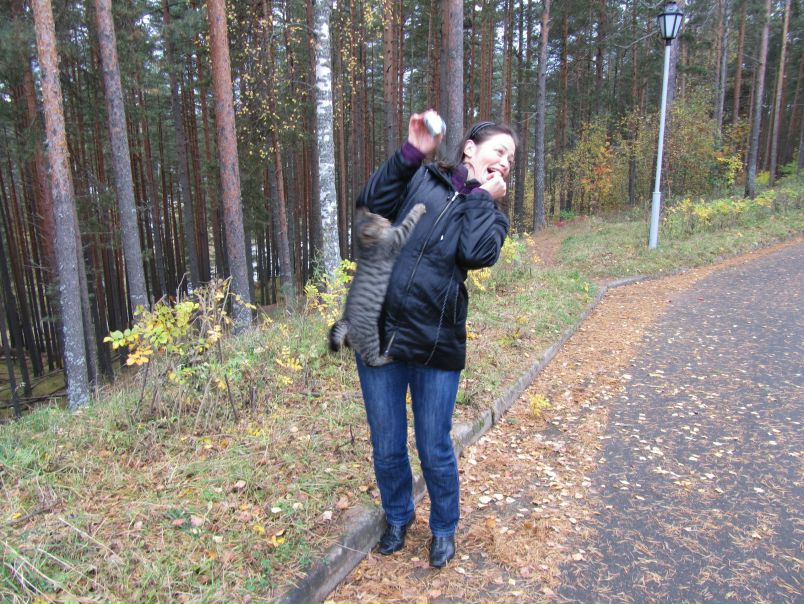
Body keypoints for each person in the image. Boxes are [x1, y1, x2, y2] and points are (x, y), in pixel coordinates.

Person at [354, 111, 517, 568]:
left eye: (511, 159)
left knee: (434, 446)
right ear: (470, 149)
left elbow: (475, 253)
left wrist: (481, 197)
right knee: (387, 444)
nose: (505, 162)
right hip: (380, 335)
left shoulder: (493, 217)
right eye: (499, 151)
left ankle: (444, 528)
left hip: (437, 344)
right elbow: (373, 201)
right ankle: (398, 516)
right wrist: (411, 152)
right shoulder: (423, 178)